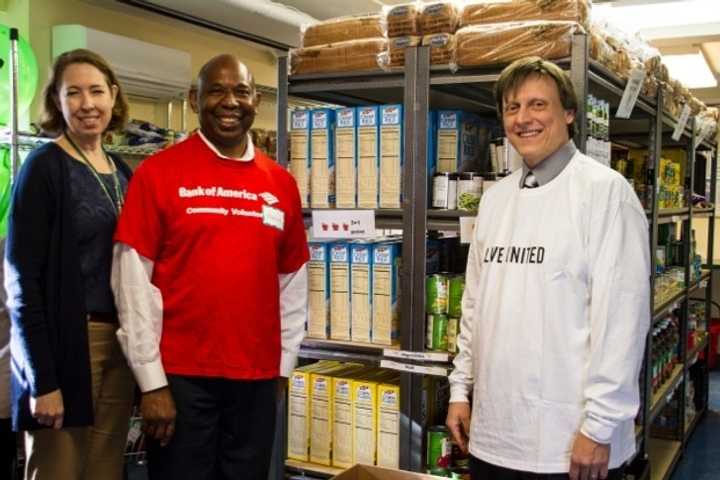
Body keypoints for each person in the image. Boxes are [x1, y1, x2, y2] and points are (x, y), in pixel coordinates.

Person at [446, 57, 650, 480]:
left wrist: (599, 427)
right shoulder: (495, 199)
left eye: (538, 105)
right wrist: (458, 390)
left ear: (569, 113)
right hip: (495, 435)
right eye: (512, 108)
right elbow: (475, 306)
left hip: (571, 447)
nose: (524, 119)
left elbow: (622, 320)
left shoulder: (606, 193)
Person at [111, 54, 309, 480]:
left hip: (256, 378)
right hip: (182, 378)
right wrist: (151, 381)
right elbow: (131, 282)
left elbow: (292, 282)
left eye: (240, 91)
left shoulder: (280, 184)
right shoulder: (158, 174)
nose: (229, 101)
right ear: (194, 98)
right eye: (216, 90)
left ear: (256, 99)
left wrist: (282, 367)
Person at [4, 48, 135, 479]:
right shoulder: (43, 167)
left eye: (96, 91)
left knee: (104, 469)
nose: (87, 104)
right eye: (73, 93)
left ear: (113, 96)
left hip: (119, 341)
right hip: (65, 342)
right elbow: (22, 282)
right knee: (59, 467)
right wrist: (43, 380)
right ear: (57, 102)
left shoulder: (121, 170)